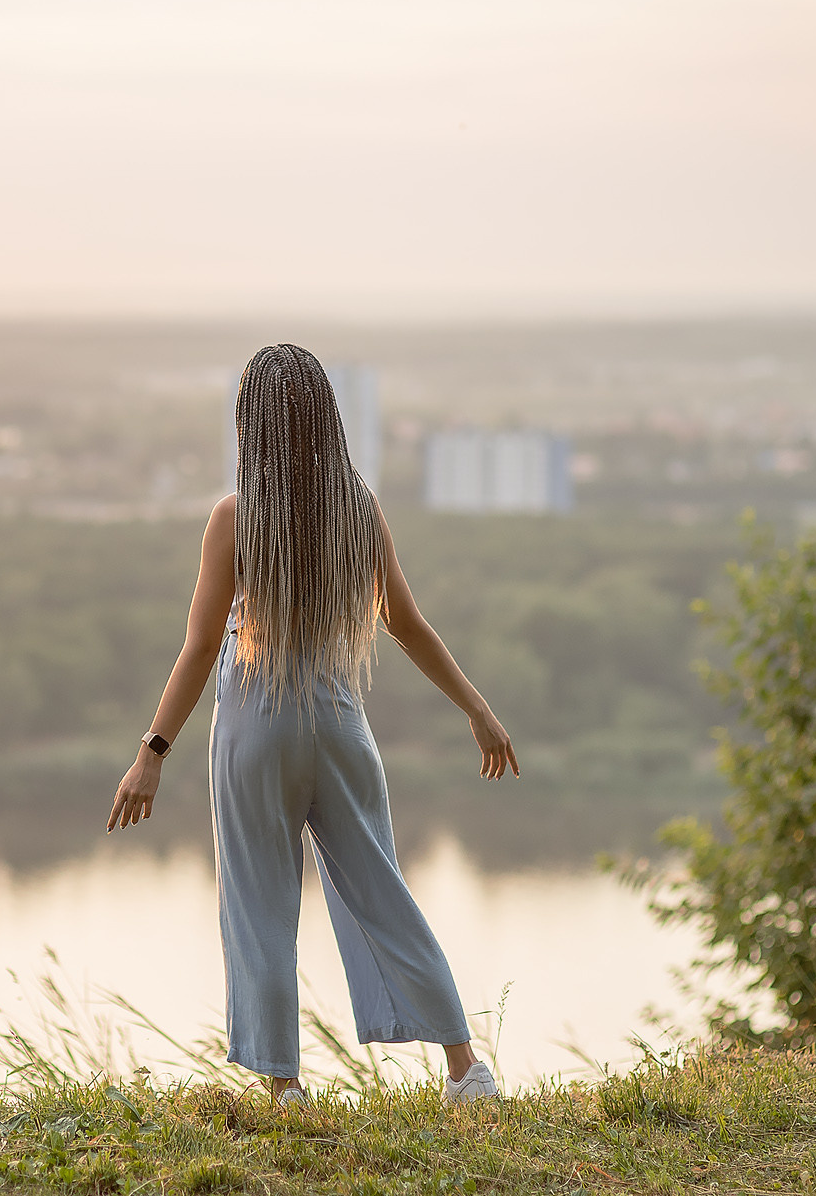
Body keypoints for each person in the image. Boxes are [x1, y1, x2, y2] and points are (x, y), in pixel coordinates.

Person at [107, 343, 518, 1106]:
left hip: (255, 728)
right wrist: (479, 710)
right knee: (382, 892)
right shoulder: (358, 508)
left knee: (260, 902)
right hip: (338, 723)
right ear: (326, 414)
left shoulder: (234, 517)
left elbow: (200, 647)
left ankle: (285, 1087)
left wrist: (151, 751)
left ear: (250, 422)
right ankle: (467, 1070)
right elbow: (407, 623)